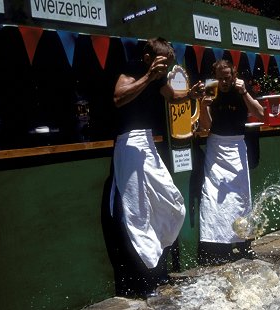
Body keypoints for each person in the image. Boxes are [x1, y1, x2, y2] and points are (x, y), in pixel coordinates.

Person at [109, 37, 204, 298]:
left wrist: (190, 95)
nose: (164, 69)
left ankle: (155, 260)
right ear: (148, 57)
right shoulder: (133, 68)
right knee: (137, 213)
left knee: (173, 203)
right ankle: (145, 278)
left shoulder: (157, 76)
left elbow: (172, 97)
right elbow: (118, 97)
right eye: (162, 63)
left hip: (148, 142)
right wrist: (149, 77)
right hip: (128, 144)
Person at [197, 59, 264, 265]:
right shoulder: (210, 90)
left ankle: (244, 244)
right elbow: (206, 126)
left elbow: (260, 113)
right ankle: (217, 246)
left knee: (241, 198)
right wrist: (203, 105)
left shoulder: (241, 89)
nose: (224, 82)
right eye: (219, 78)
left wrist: (245, 93)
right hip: (216, 146)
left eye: (227, 78)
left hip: (237, 145)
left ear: (234, 75)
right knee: (214, 198)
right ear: (214, 77)